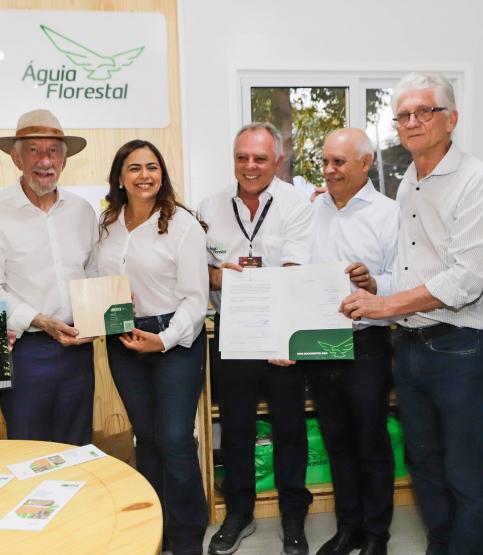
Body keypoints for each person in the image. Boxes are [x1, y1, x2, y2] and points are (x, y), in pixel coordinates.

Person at [340, 72, 483, 555]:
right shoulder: (409, 182)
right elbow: (412, 269)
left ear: (450, 119)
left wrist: (385, 304)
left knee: (465, 470)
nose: (411, 122)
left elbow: (466, 278)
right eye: (403, 115)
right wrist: (378, 285)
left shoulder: (477, 180)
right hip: (409, 346)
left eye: (423, 111)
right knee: (424, 465)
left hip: (460, 347)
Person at [198, 122, 313, 555]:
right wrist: (217, 275)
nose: (250, 166)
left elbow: (296, 271)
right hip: (231, 332)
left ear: (277, 162)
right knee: (237, 429)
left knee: (290, 430)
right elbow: (199, 270)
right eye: (242, 157)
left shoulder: (296, 205)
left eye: (260, 158)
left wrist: (283, 335)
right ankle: (239, 513)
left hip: (282, 334)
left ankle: (293, 518)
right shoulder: (209, 205)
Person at [93, 140, 209, 555]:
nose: (145, 175)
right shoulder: (106, 224)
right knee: (147, 437)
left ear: (162, 174)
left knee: (176, 438)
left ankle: (188, 533)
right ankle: (156, 527)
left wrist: (163, 339)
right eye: (135, 168)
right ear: (120, 178)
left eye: (153, 167)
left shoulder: (183, 225)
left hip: (173, 340)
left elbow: (197, 300)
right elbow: (97, 283)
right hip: (122, 339)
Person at [0, 109, 98, 445]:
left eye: (53, 151)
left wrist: (106, 311)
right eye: (34, 150)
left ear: (65, 161)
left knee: (77, 445)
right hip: (22, 349)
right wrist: (42, 321)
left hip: (77, 348)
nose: (45, 160)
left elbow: (94, 275)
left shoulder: (83, 211)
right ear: (16, 158)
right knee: (29, 447)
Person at [306, 128, 398, 555]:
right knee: (337, 440)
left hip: (367, 345)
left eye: (339, 162)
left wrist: (375, 283)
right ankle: (349, 529)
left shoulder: (390, 214)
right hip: (319, 341)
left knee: (371, 443)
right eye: (325, 161)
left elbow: (407, 278)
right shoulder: (311, 209)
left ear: (365, 163)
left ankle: (377, 534)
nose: (328, 170)